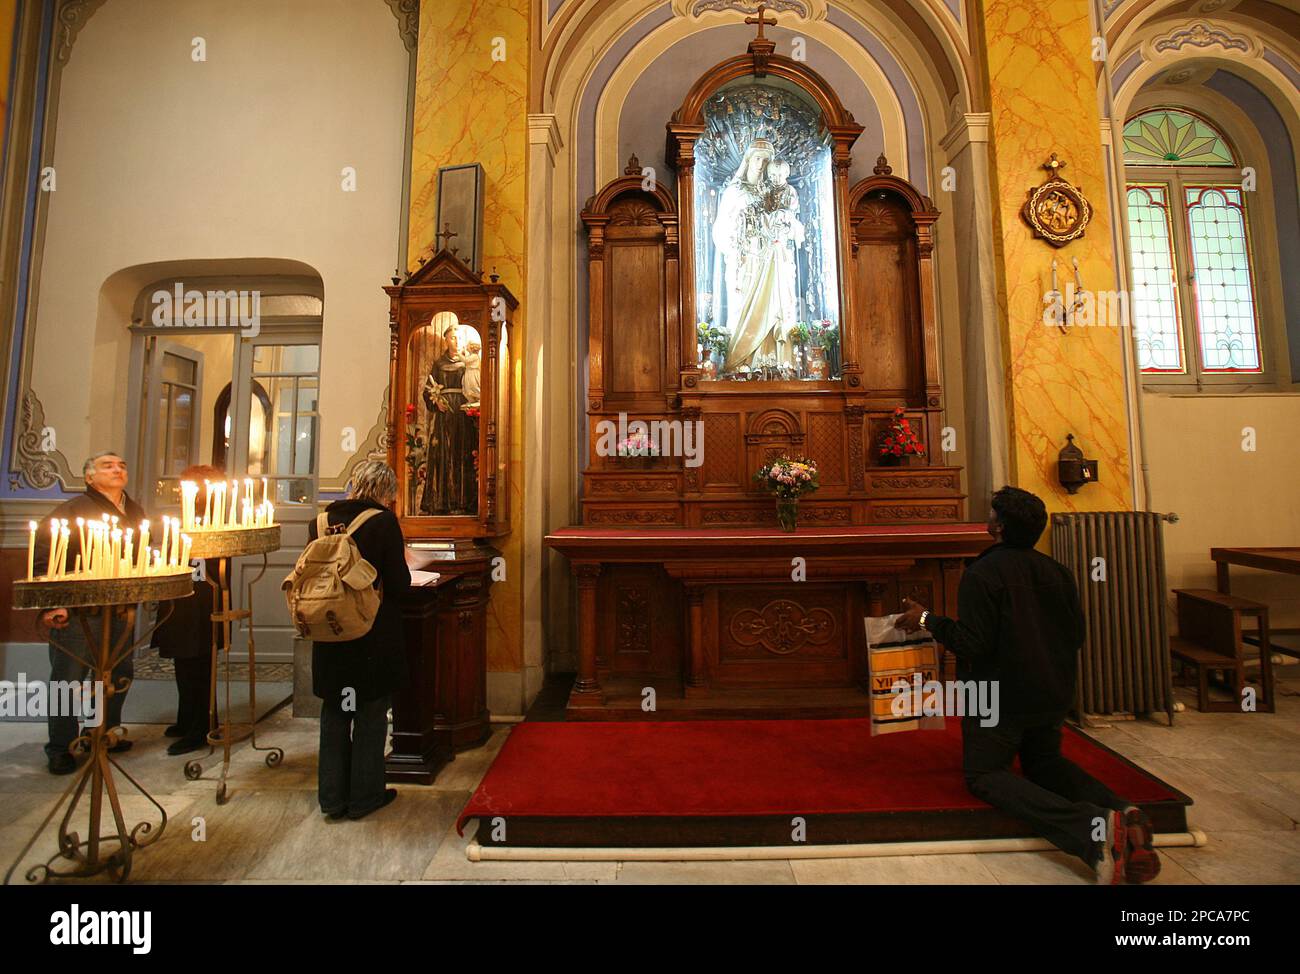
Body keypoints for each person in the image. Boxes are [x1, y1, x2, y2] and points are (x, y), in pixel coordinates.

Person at [897, 486, 1161, 884]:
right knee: (1044, 763)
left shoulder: (982, 574)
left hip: (998, 698)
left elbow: (972, 642)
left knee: (985, 776)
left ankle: (1096, 828)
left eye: (991, 514)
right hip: (1053, 691)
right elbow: (1076, 635)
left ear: (997, 526)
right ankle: (1123, 810)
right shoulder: (1058, 571)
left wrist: (924, 620)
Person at [309, 459, 411, 820]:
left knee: (334, 714)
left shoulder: (320, 522)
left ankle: (332, 799)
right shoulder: (382, 522)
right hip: (370, 636)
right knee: (369, 714)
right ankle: (365, 797)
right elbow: (399, 584)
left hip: (329, 632)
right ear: (387, 492)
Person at [34, 451, 147, 774]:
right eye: (107, 466)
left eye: (122, 465)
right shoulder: (70, 512)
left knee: (118, 673)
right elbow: (45, 562)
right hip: (80, 611)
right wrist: (53, 604)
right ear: (88, 477)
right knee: (68, 679)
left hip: (121, 609)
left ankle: (101, 732)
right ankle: (60, 746)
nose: (117, 469)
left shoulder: (134, 510)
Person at [150, 465, 220, 756]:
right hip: (180, 598)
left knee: (198, 664)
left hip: (201, 600)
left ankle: (199, 726)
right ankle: (185, 718)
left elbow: (204, 564)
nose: (183, 491)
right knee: (184, 662)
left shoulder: (214, 519)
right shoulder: (186, 517)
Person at [419, 326, 476, 515]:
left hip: (461, 413)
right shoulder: (439, 363)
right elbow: (428, 389)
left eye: (459, 338)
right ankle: (441, 502)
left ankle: (463, 502)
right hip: (444, 416)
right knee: (443, 455)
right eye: (453, 338)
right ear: (446, 340)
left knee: (462, 454)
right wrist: (436, 403)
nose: (456, 341)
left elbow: (474, 383)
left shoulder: (467, 363)